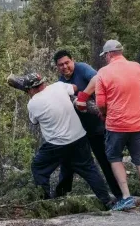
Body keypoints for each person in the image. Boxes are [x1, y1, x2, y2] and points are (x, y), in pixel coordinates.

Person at [77, 39, 140, 213]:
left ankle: (126, 197)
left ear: (109, 54)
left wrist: (103, 113)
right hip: (138, 123)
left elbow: (100, 102)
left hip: (116, 125)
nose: (105, 58)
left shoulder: (104, 72)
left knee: (114, 158)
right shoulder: (137, 67)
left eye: (105, 55)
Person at [20, 72, 113, 209]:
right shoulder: (58, 86)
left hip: (56, 145)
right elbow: (75, 88)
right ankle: (107, 201)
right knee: (89, 169)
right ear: (43, 83)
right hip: (79, 137)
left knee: (38, 167)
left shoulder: (32, 104)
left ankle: (45, 204)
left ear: (30, 90)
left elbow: (34, 121)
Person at [51, 50, 122, 199]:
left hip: (97, 128)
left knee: (105, 162)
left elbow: (98, 78)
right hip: (78, 132)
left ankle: (120, 196)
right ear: (57, 67)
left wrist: (83, 96)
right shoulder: (61, 83)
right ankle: (60, 195)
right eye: (61, 65)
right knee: (67, 161)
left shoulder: (82, 68)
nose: (65, 67)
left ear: (73, 61)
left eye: (67, 63)